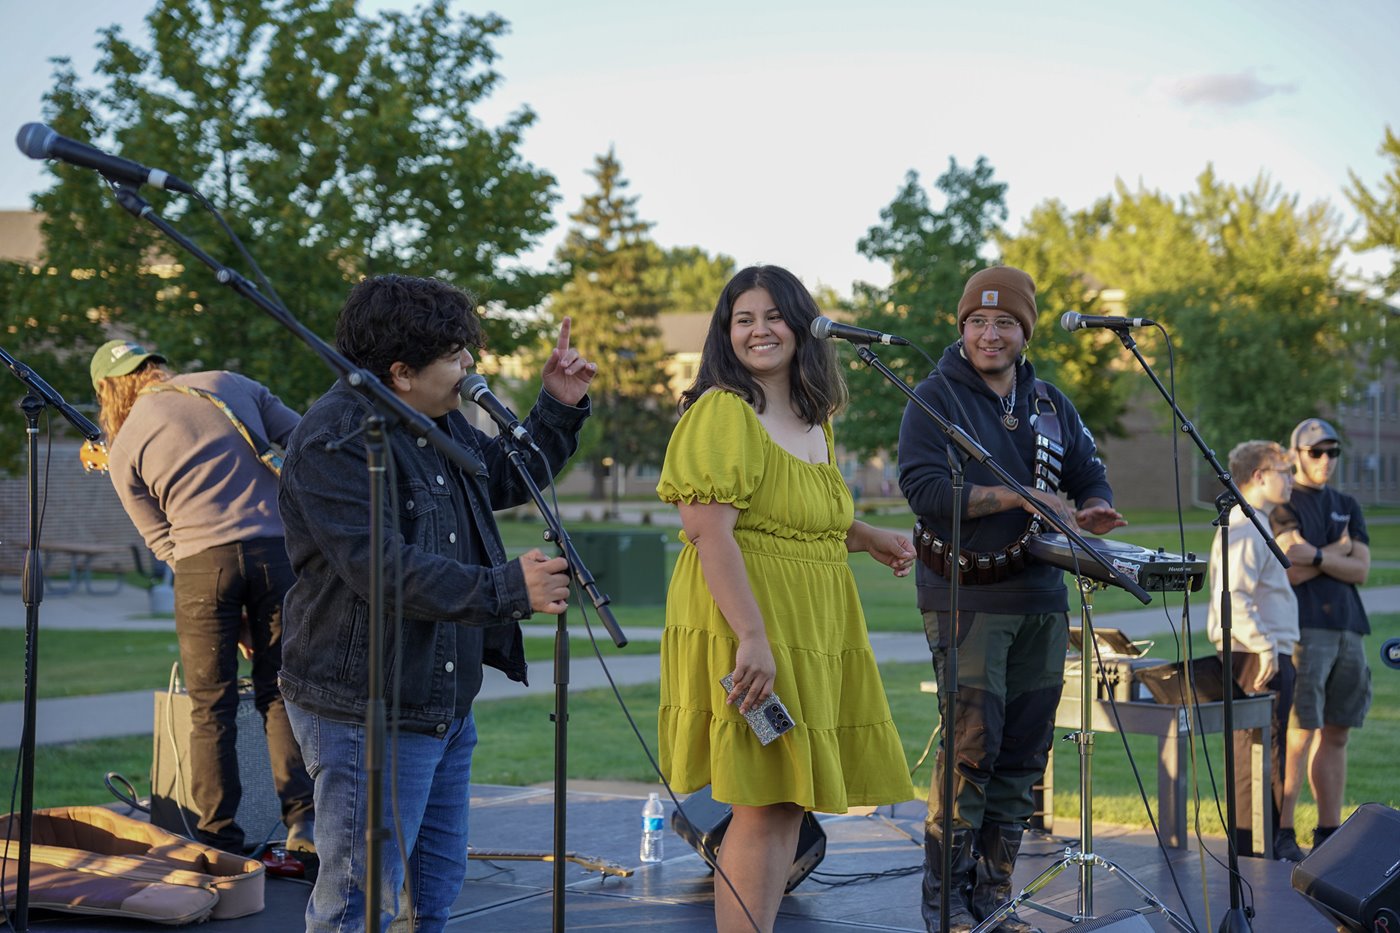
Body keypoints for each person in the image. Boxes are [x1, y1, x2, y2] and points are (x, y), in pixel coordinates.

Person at [276, 274, 594, 932]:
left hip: (442, 698)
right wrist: (507, 588)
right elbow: (382, 570)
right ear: (399, 371)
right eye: (455, 354)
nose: (470, 365)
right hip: (366, 707)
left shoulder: (437, 419)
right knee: (358, 903)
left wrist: (557, 408)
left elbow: (502, 475)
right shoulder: (334, 440)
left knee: (434, 893)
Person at [656, 264, 915, 933]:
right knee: (763, 800)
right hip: (748, 621)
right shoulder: (723, 411)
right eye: (743, 318)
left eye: (773, 316)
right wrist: (751, 635)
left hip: (809, 623)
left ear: (803, 327)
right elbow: (709, 530)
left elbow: (788, 513)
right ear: (725, 333)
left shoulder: (810, 423)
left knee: (786, 802)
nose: (758, 329)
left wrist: (866, 534)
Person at [897, 266, 1125, 933]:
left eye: (1004, 323)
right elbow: (929, 495)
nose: (989, 334)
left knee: (1024, 753)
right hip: (967, 598)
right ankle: (947, 909)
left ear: (1023, 331)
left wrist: (1097, 507)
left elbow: (1088, 475)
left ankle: (992, 898)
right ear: (961, 328)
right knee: (972, 748)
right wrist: (1017, 496)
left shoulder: (1051, 404)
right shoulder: (933, 398)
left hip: (1042, 596)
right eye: (977, 322)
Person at [89, 339, 314, 854]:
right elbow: (307, 439)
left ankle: (219, 840)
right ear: (156, 366)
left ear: (110, 388)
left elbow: (158, 536)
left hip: (199, 565)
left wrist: (209, 578)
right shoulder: (233, 384)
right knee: (280, 690)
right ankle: (305, 823)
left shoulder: (124, 442)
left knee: (209, 707)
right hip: (276, 555)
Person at [1274, 418, 1371, 857]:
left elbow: (1362, 570)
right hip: (1307, 629)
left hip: (1350, 627)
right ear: (1296, 454)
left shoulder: (1348, 503)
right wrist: (1334, 552)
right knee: (1301, 731)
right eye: (1316, 452)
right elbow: (1290, 569)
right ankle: (1283, 832)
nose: (1326, 460)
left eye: (1332, 452)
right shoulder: (1284, 503)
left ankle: (1328, 833)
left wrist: (1313, 554)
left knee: (1338, 733)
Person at [1205, 440, 1300, 861]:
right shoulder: (1246, 526)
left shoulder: (1256, 522)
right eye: (1285, 471)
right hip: (1253, 654)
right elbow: (1234, 595)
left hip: (1261, 651)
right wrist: (1265, 649)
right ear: (1260, 475)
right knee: (1259, 749)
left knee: (1265, 747)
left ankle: (1260, 846)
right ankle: (1254, 850)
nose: (1292, 480)